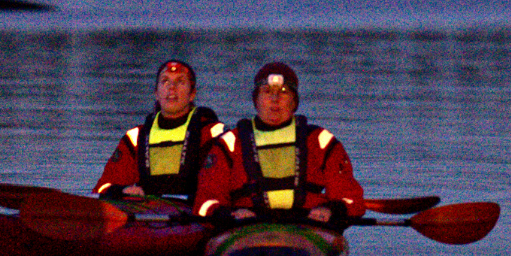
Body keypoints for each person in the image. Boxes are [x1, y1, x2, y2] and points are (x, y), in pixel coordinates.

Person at [192, 62, 366, 229]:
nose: (275, 99)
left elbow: (351, 199)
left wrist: (330, 210)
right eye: (267, 92)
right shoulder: (229, 143)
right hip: (246, 231)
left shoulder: (320, 141)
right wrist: (228, 214)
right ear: (256, 100)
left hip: (307, 228)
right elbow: (204, 203)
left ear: (294, 101)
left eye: (283, 92)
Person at [94, 59, 225, 201]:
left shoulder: (213, 133)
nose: (172, 88)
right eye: (165, 82)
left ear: (192, 94)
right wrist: (123, 190)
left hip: (196, 215)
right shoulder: (136, 137)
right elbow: (103, 187)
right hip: (146, 213)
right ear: (156, 93)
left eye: (180, 82)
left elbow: (226, 184)